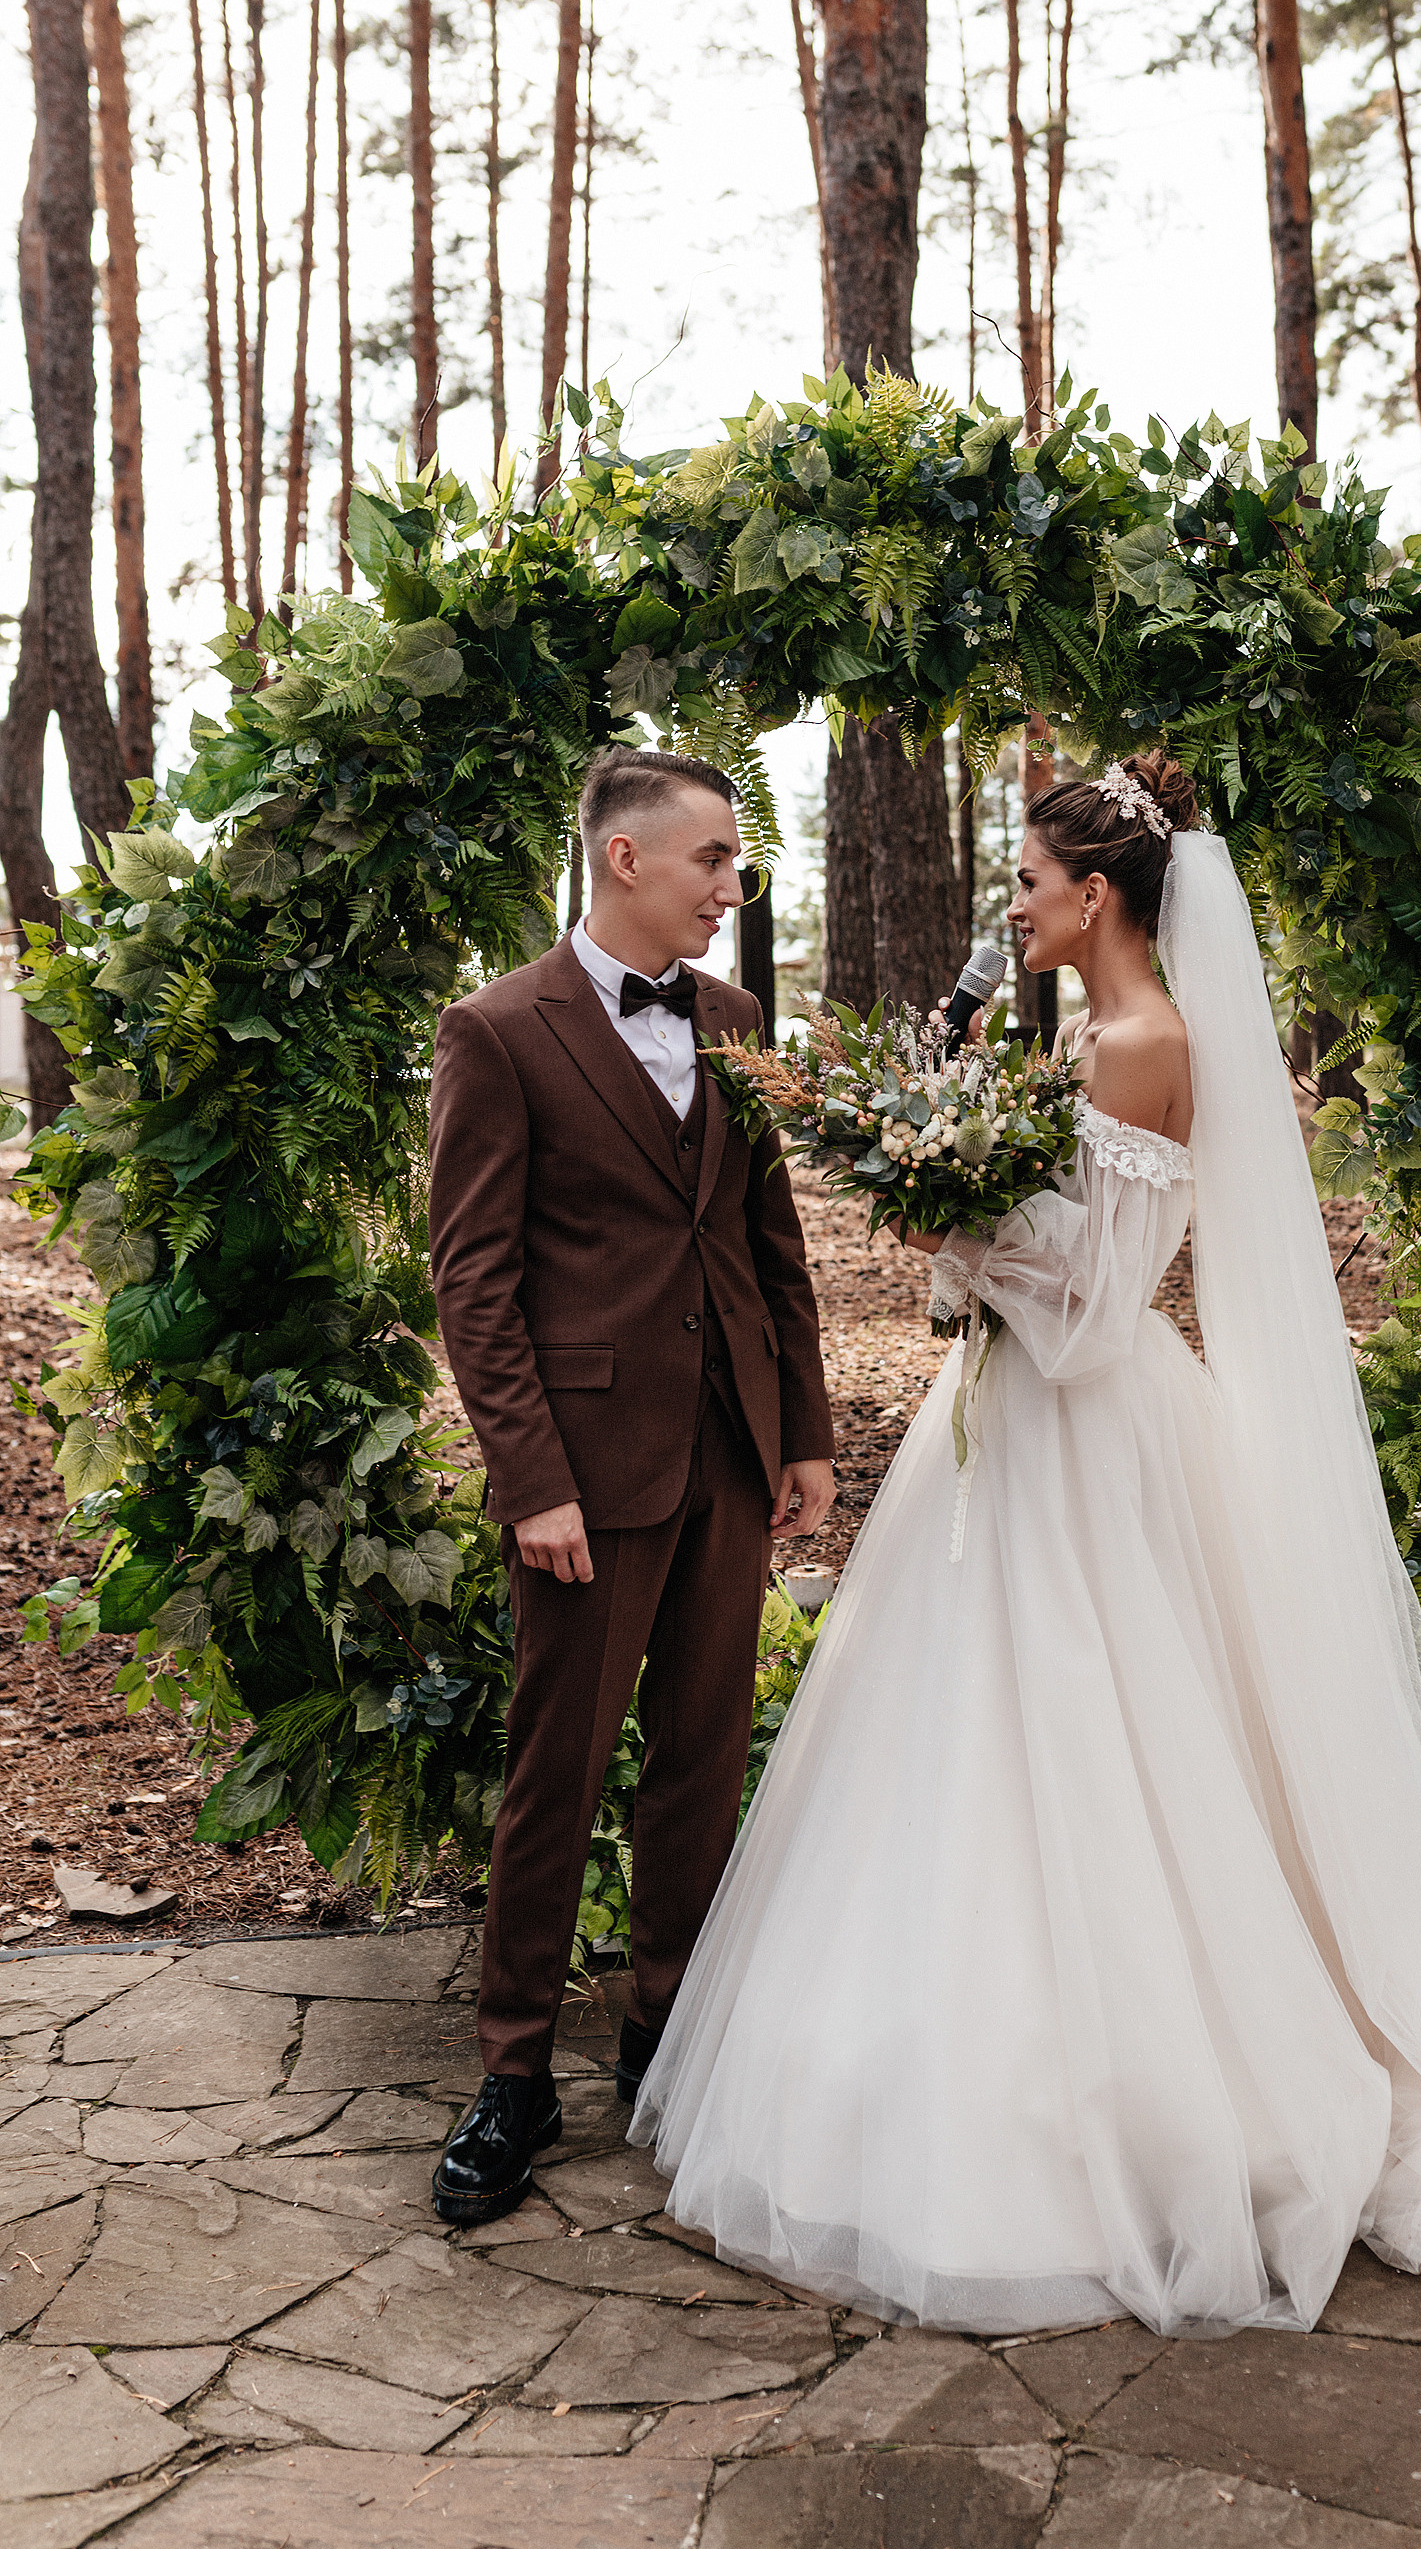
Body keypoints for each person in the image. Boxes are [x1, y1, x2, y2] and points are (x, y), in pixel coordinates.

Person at [629, 749, 1421, 2335]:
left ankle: (1122, 2097)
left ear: (1096, 894)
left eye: (1034, 884)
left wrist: (942, 1218)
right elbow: (1052, 1268)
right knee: (967, 1748)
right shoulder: (1103, 1036)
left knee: (1097, 1747)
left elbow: (1099, 1310)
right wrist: (958, 1213)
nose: (1017, 908)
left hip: (1086, 1440)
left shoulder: (1143, 1041)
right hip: (1019, 1440)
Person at [427, 746, 835, 2225]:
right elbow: (474, 1282)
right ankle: (515, 2070)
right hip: (585, 1478)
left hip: (731, 1445)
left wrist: (803, 1430)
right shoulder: (497, 1033)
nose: (737, 884)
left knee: (702, 1758)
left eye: (738, 861)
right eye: (717, 859)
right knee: (560, 1767)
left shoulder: (733, 1021)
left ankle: (668, 2032)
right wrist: (529, 1475)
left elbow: (765, 1237)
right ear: (625, 862)